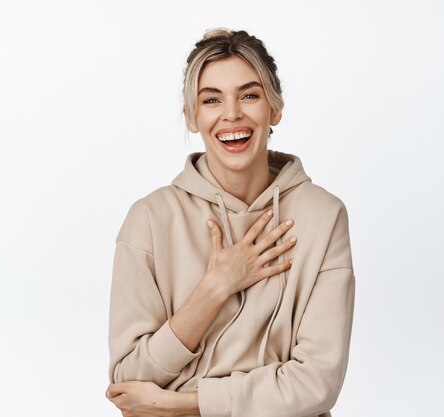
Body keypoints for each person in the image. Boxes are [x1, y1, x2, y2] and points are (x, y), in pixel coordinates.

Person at [105, 28, 355, 417]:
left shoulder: (322, 216)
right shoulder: (150, 219)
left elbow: (316, 383)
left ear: (275, 108)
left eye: (250, 95)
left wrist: (185, 404)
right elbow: (128, 379)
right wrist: (216, 287)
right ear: (192, 117)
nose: (232, 114)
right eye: (211, 100)